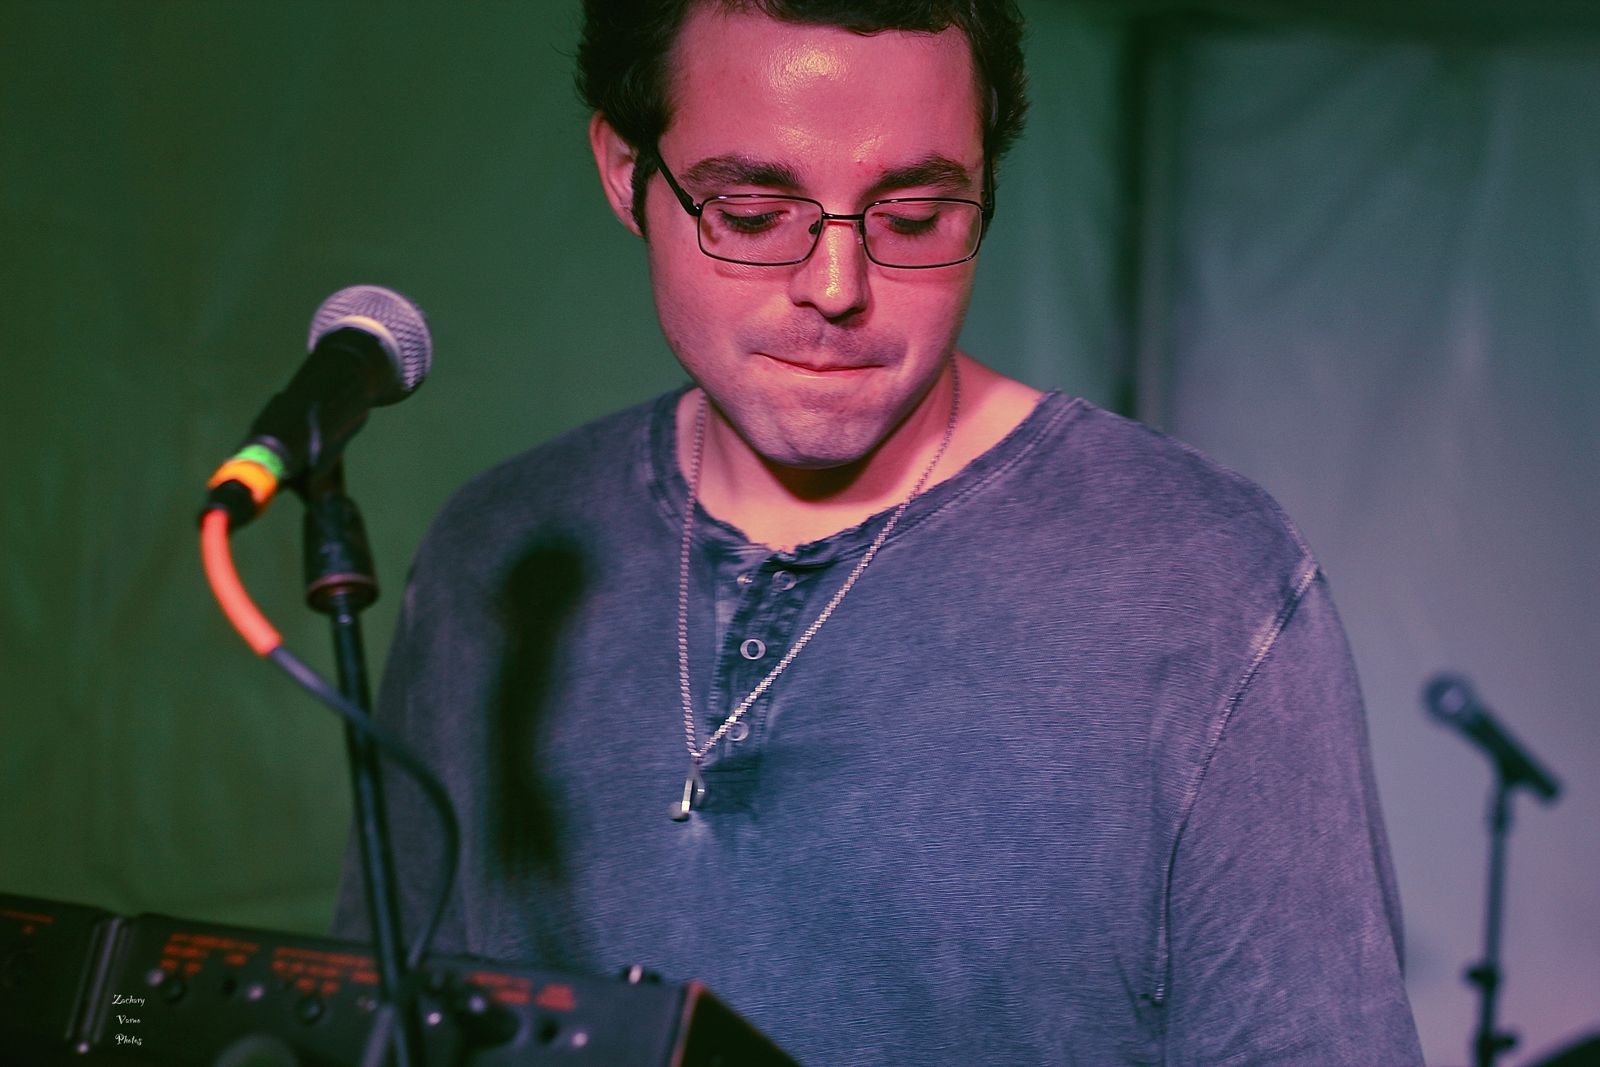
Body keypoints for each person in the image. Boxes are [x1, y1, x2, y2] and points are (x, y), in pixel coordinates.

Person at [336, 1, 1425, 1062]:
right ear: (627, 172)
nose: (836, 287)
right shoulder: (499, 552)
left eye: (913, 218)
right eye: (753, 214)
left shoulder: (1206, 582)